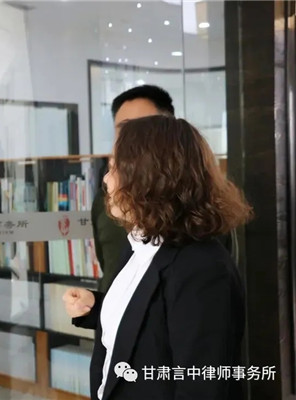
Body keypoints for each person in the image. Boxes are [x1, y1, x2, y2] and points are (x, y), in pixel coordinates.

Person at [63, 115, 252, 400]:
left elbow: (201, 387)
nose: (106, 180)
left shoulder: (202, 268)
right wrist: (96, 306)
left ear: (149, 177)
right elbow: (151, 320)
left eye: (114, 168)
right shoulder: (141, 244)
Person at [92, 85, 175, 293]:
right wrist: (95, 306)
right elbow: (110, 273)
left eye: (143, 129)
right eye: (124, 129)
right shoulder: (106, 200)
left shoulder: (192, 203)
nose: (132, 138)